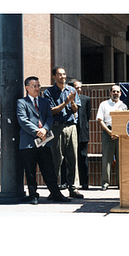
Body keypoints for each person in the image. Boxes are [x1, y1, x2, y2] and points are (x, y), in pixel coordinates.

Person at [17, 76, 70, 204]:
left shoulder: (44, 101)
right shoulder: (21, 103)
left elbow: (49, 117)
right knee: (30, 171)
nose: (37, 88)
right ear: (27, 88)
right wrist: (37, 131)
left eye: (38, 85)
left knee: (49, 169)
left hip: (44, 140)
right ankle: (33, 195)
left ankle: (56, 194)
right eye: (34, 86)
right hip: (28, 142)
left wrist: (45, 129)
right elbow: (23, 120)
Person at [43, 67, 84, 199]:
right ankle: (54, 190)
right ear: (54, 76)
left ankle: (73, 188)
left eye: (64, 74)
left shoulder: (72, 90)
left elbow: (76, 109)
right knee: (56, 159)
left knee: (72, 158)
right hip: (56, 127)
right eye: (59, 74)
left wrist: (71, 101)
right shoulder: (49, 92)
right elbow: (51, 111)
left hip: (71, 127)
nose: (63, 77)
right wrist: (65, 102)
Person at [96, 84, 125, 191]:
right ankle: (105, 183)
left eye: (117, 92)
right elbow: (100, 120)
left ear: (120, 93)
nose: (115, 93)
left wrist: (118, 132)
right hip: (107, 132)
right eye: (114, 91)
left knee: (120, 159)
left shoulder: (124, 106)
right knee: (106, 159)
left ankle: (120, 183)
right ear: (110, 93)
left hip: (120, 134)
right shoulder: (104, 104)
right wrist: (109, 132)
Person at [69, 79, 91, 190]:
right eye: (77, 87)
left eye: (80, 87)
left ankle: (84, 182)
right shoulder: (66, 99)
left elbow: (88, 116)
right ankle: (66, 182)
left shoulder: (86, 99)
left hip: (82, 133)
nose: (79, 89)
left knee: (83, 157)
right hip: (70, 131)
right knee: (68, 158)